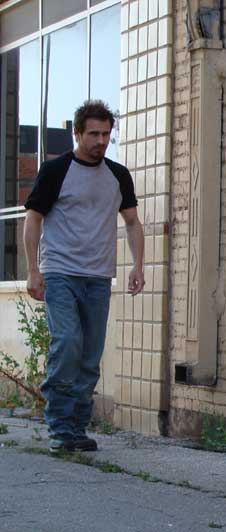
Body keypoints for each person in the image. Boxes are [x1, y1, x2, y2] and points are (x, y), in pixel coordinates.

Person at [23, 100, 144, 453]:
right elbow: (33, 219)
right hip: (60, 273)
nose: (101, 141)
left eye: (107, 134)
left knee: (90, 355)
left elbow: (133, 222)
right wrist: (33, 270)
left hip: (98, 277)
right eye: (93, 134)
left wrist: (137, 265)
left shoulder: (117, 175)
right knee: (68, 343)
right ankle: (60, 427)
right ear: (77, 133)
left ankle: (76, 429)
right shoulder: (56, 170)